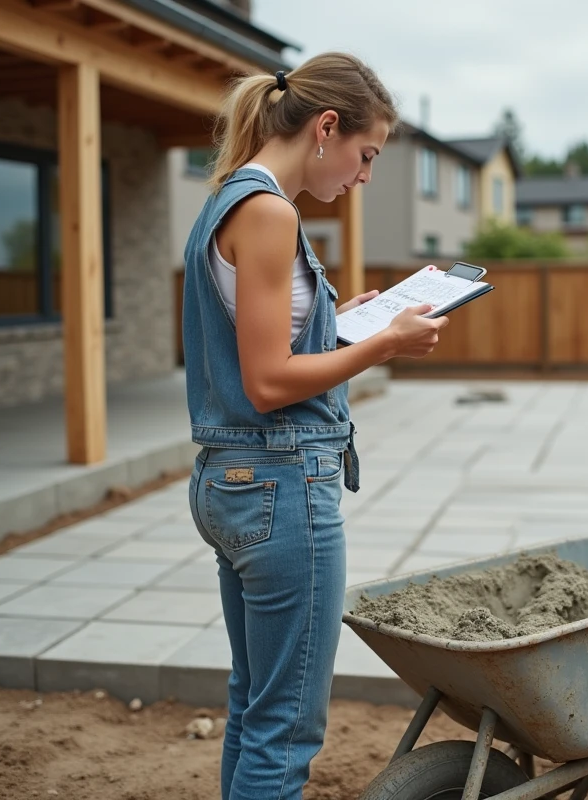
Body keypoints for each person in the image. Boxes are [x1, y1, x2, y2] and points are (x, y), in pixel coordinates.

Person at [182, 53, 448, 800]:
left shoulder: (227, 200)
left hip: (229, 482)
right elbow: (269, 384)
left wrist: (339, 321)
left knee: (255, 703)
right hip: (280, 487)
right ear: (326, 128)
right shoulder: (269, 212)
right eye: (367, 155)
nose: (363, 177)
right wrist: (382, 345)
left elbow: (262, 352)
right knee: (288, 726)